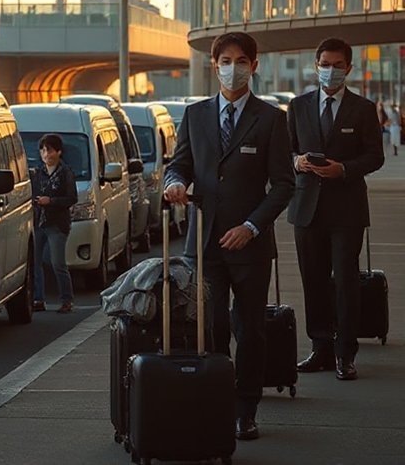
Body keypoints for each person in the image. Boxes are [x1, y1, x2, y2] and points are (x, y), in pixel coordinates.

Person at [163, 31, 294, 441]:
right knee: (212, 325)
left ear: (253, 67)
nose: (232, 68)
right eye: (225, 60)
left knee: (249, 328)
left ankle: (246, 408)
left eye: (241, 61)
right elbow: (179, 164)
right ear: (213, 64)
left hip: (250, 245)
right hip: (203, 243)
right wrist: (173, 183)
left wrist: (252, 226)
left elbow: (284, 184)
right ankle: (217, 401)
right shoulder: (195, 115)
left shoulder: (271, 119)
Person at [287, 38, 384, 382]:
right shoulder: (298, 107)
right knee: (312, 281)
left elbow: (375, 156)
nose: (330, 71)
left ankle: (346, 353)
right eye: (325, 64)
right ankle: (321, 348)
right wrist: (297, 162)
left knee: (345, 282)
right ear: (316, 66)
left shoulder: (362, 108)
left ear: (349, 69)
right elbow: (286, 153)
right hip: (306, 209)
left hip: (347, 210)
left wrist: (342, 168)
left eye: (337, 65)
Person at [31, 133, 78, 313]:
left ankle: (67, 300)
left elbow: (71, 198)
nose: (45, 154)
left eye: (49, 150)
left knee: (57, 263)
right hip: (39, 222)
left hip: (57, 224)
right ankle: (38, 298)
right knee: (35, 262)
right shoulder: (38, 172)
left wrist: (50, 201)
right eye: (43, 150)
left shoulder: (65, 172)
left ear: (58, 152)